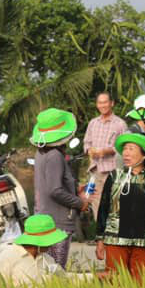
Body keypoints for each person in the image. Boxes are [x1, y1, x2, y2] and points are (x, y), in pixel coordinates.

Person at [95, 133, 145, 284]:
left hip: (141, 242)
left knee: (139, 284)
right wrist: (100, 239)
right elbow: (103, 208)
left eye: (131, 149)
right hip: (115, 240)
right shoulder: (115, 176)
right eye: (125, 149)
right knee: (115, 282)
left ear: (144, 154)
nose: (126, 153)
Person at [32, 108, 84, 269]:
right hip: (58, 222)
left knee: (46, 267)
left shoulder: (41, 153)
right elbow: (55, 190)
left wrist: (75, 188)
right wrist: (79, 202)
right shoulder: (55, 156)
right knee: (56, 269)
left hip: (46, 217)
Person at [0, 214, 68, 288]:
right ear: (36, 240)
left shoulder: (47, 259)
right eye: (50, 239)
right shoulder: (6, 258)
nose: (52, 244)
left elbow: (65, 277)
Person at [82, 92, 127, 216]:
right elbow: (86, 142)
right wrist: (89, 150)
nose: (103, 105)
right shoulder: (93, 123)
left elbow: (125, 147)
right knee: (96, 201)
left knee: (112, 203)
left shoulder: (120, 124)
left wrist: (107, 151)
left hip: (111, 170)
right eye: (100, 102)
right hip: (95, 169)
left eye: (105, 102)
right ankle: (100, 232)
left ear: (111, 103)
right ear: (97, 105)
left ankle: (113, 232)